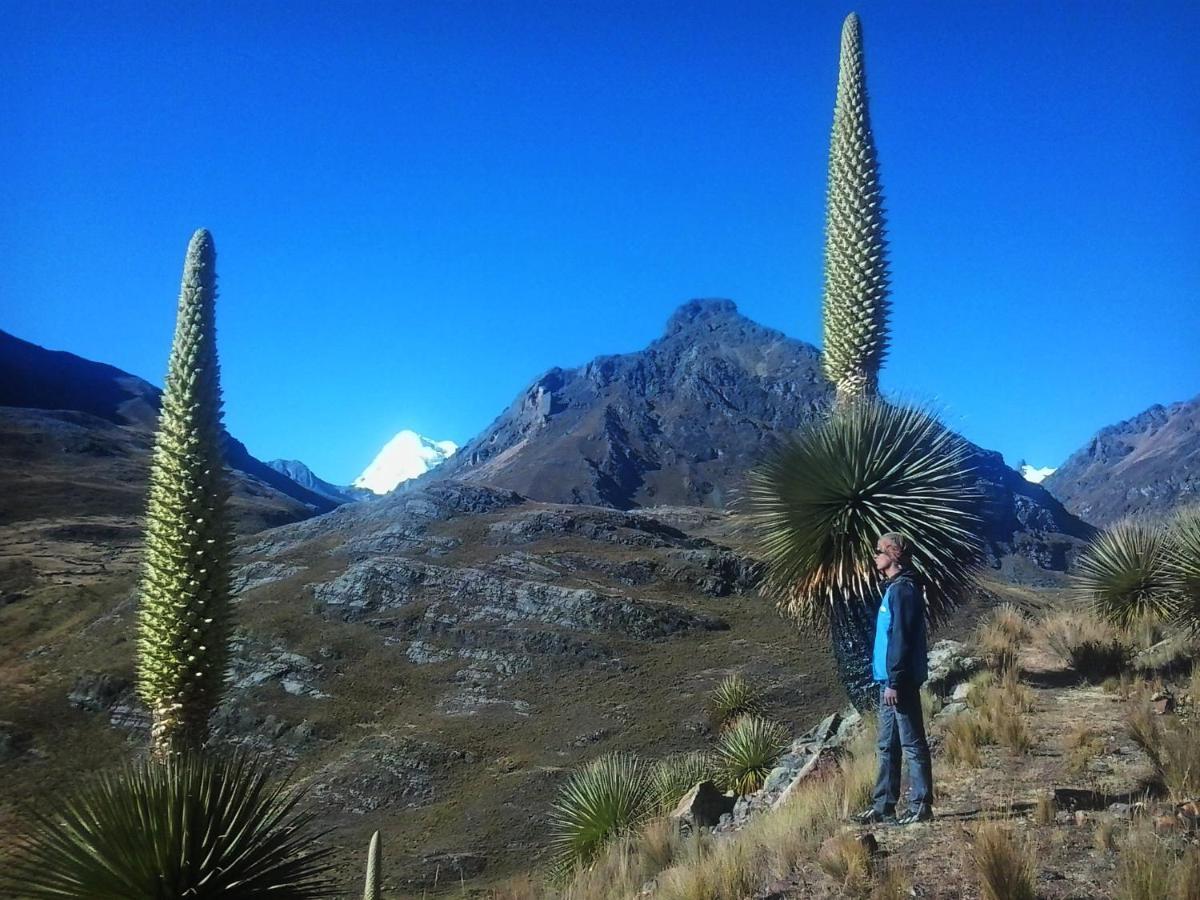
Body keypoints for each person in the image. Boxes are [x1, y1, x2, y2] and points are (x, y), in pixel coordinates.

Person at [850, 532, 933, 826]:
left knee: (911, 743)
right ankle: (883, 805)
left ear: (894, 553)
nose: (875, 556)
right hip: (889, 681)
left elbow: (901, 639)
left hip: (900, 682)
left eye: (878, 551)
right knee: (887, 745)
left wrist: (895, 682)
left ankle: (921, 805)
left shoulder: (904, 590)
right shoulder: (894, 588)